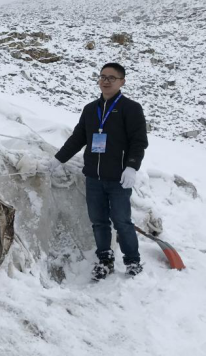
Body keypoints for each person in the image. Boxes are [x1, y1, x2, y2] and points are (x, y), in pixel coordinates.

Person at [53, 63, 148, 280]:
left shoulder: (131, 108)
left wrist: (132, 167)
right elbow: (78, 138)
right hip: (94, 178)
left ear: (122, 81)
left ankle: (132, 261)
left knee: (121, 220)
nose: (106, 81)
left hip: (118, 179)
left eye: (112, 78)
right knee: (98, 221)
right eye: (102, 76)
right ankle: (105, 260)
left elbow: (139, 142)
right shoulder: (90, 109)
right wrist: (59, 159)